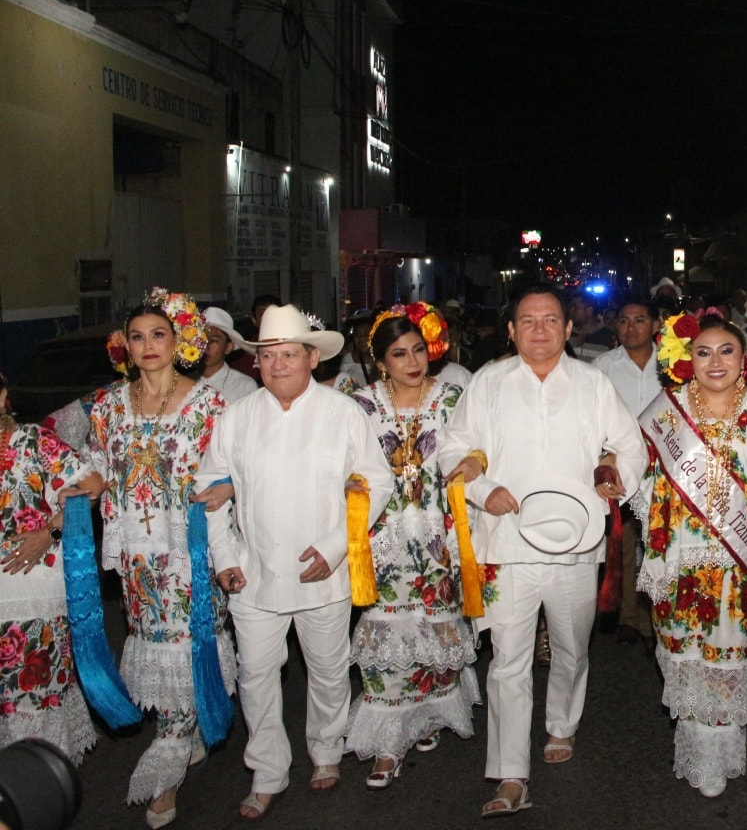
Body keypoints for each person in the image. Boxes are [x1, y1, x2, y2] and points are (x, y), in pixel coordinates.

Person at [438, 284, 647, 817]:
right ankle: (511, 775)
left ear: (569, 328)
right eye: (527, 320)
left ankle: (561, 723)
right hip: (506, 541)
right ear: (510, 330)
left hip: (576, 542)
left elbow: (631, 445)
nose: (539, 329)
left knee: (571, 647)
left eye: (550, 320)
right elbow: (454, 449)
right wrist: (484, 491)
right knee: (508, 660)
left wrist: (612, 477)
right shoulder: (488, 382)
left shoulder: (592, 382)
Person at [196, 304, 393, 821]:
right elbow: (208, 491)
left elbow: (377, 482)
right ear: (256, 363)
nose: (278, 364)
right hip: (253, 571)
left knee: (327, 670)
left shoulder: (342, 413)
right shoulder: (235, 418)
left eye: (289, 354)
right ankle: (267, 771)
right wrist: (224, 557)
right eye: (268, 356)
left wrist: (335, 550)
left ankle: (326, 750)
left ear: (312, 359)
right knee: (255, 673)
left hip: (321, 573)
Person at [86, 288, 236, 829]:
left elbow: (231, 471)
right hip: (137, 560)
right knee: (155, 645)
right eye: (137, 336)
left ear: (179, 342)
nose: (147, 345)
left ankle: (167, 763)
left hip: (189, 554)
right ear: (123, 346)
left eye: (158, 334)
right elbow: (99, 467)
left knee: (187, 643)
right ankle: (184, 724)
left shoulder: (209, 405)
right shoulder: (106, 406)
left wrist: (226, 490)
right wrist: (72, 495)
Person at [634, 313, 747, 797]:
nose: (715, 361)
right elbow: (645, 476)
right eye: (703, 352)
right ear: (687, 360)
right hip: (679, 558)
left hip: (735, 561)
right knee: (683, 655)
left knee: (725, 656)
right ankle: (694, 745)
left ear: (743, 359)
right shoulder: (666, 411)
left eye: (726, 351)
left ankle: (718, 754)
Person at [345, 303, 480, 789]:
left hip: (438, 537)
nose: (412, 361)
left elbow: (478, 446)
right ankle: (386, 743)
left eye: (419, 349)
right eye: (399, 353)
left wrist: (476, 462)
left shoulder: (452, 397)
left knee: (434, 628)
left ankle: (425, 715)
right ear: (381, 360)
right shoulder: (359, 405)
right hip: (381, 539)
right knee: (386, 633)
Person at [0, 370, 103, 765]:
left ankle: (38, 793)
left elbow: (92, 486)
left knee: (35, 704)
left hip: (33, 600)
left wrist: (49, 532)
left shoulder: (34, 442)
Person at [592, 299, 663, 646]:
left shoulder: (673, 363)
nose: (631, 327)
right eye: (623, 321)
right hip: (619, 464)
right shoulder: (603, 366)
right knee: (623, 543)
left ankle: (658, 617)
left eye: (639, 320)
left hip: (666, 467)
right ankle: (628, 617)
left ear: (655, 324)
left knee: (659, 543)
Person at [199, 307, 258, 403]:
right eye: (201, 340)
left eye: (213, 340)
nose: (206, 346)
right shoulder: (184, 382)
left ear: (228, 347)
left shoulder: (244, 386)